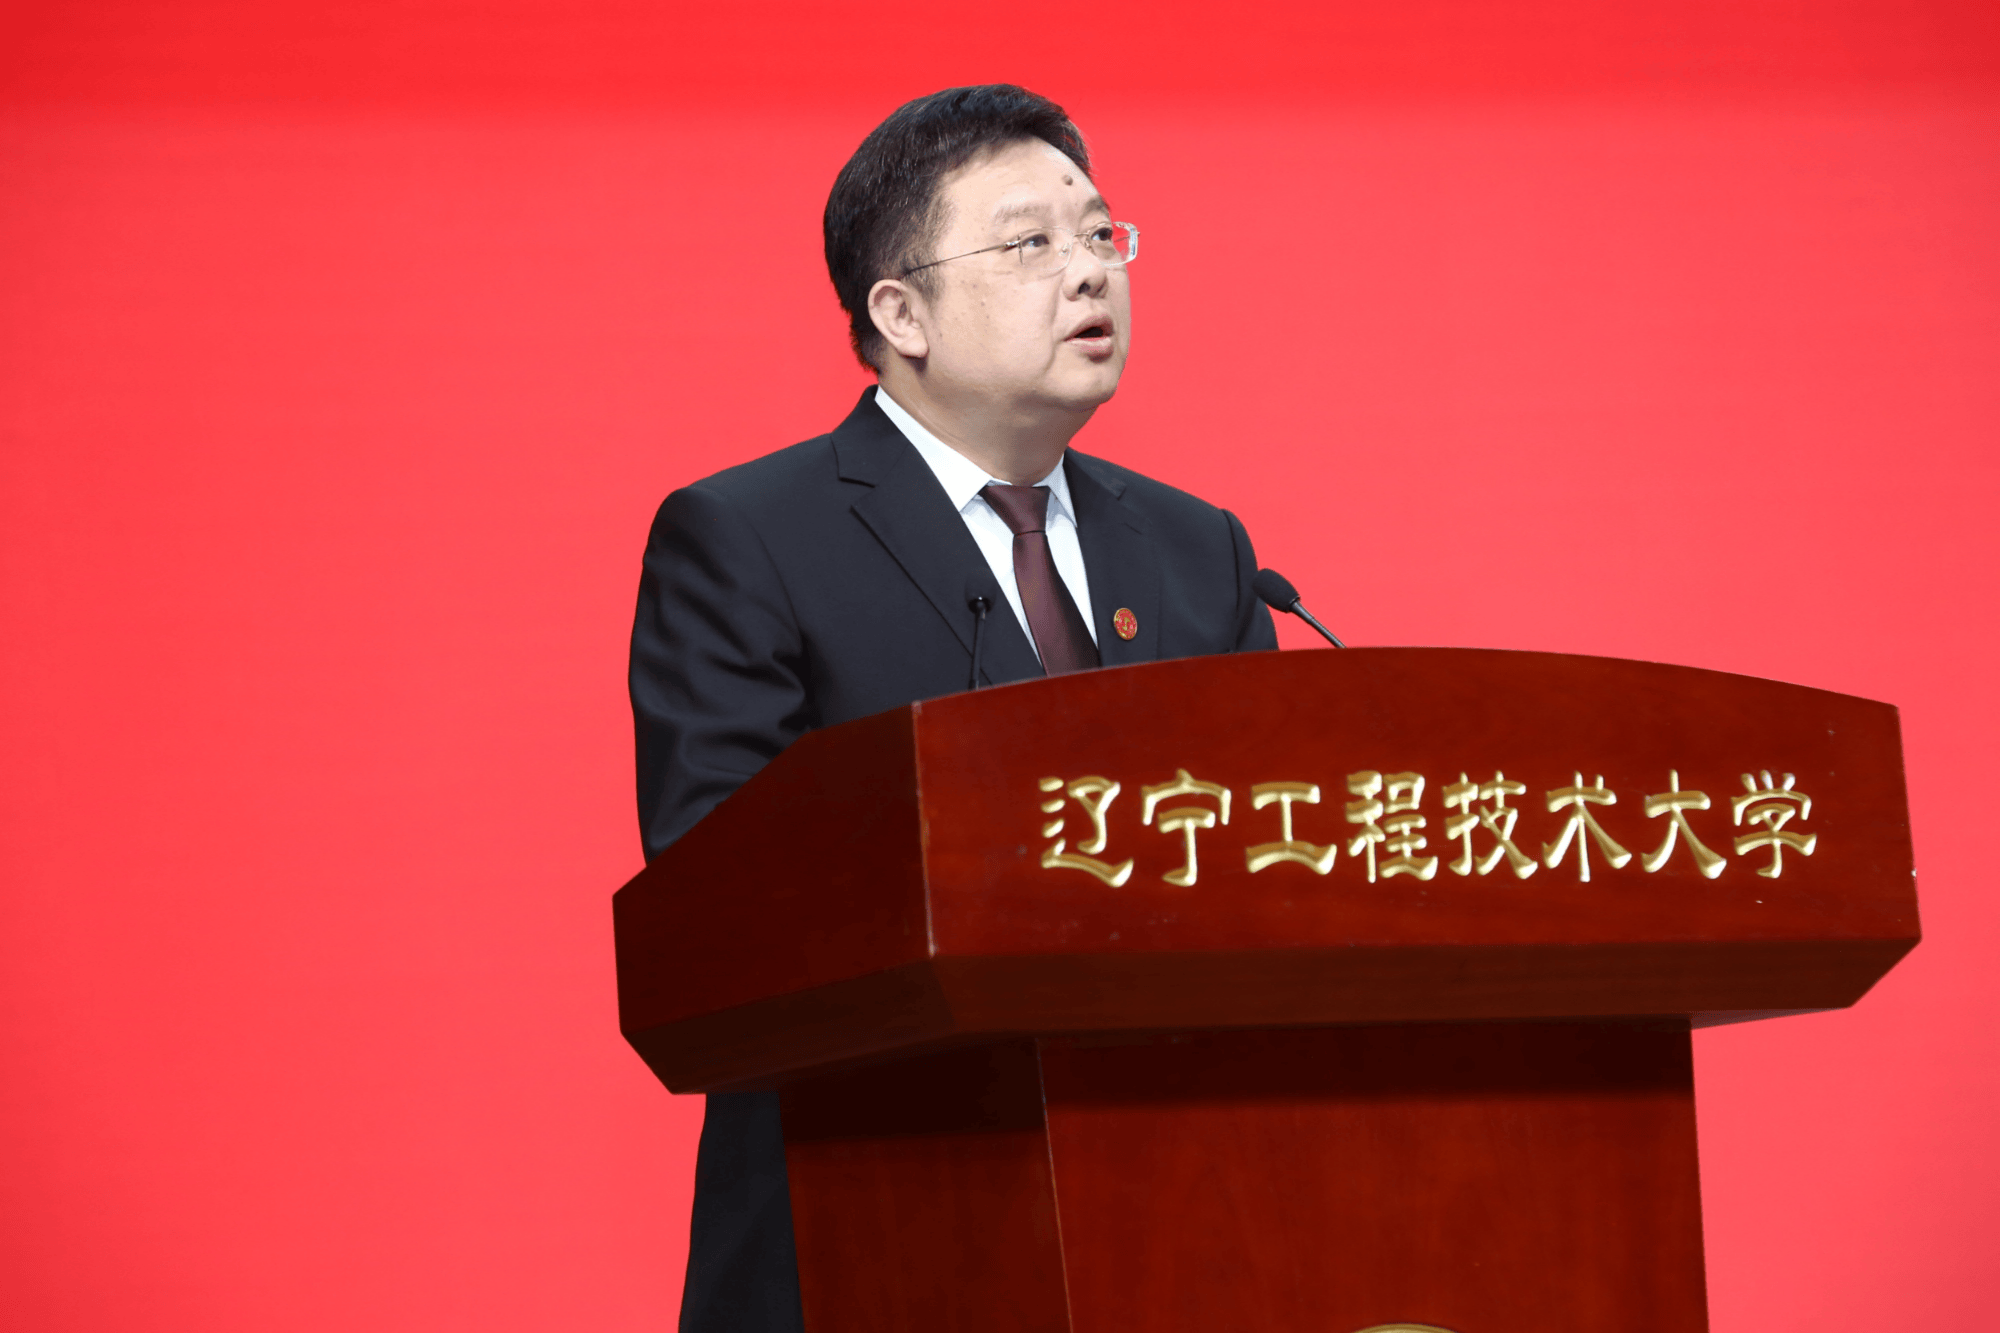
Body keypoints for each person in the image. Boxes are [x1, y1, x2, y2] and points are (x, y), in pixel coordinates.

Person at [628, 84, 1278, 1333]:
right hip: (868, 1222)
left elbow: (1268, 861)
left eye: (1098, 234)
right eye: (1029, 241)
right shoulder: (750, 538)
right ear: (900, 313)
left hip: (1174, 1225)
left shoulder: (1200, 549)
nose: (1087, 270)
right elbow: (720, 893)